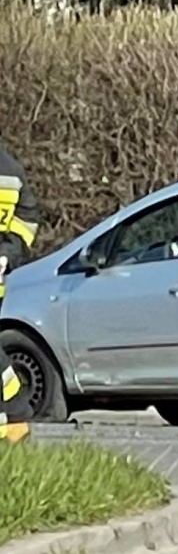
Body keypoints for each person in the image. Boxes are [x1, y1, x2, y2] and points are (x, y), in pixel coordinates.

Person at [0, 129, 39, 442]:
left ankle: (15, 413)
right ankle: (14, 415)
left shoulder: (9, 171)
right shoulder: (11, 170)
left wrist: (7, 255)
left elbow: (26, 222)